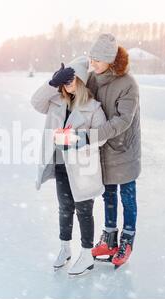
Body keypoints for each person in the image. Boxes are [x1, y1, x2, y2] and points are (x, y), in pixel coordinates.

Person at [31, 57, 107, 276]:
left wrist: (76, 138)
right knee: (65, 208)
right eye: (64, 80)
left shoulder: (93, 108)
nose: (67, 84)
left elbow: (101, 136)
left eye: (70, 79)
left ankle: (86, 254)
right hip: (61, 165)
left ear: (82, 80)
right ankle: (65, 248)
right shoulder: (55, 101)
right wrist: (52, 83)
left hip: (82, 168)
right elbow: (35, 102)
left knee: (84, 210)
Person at [85, 34, 142, 269]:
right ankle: (109, 238)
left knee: (127, 195)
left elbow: (123, 120)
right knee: (107, 194)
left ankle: (127, 239)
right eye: (91, 59)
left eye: (97, 60)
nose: (93, 64)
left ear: (110, 60)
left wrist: (92, 136)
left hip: (124, 148)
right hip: (103, 149)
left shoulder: (128, 83)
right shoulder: (92, 78)